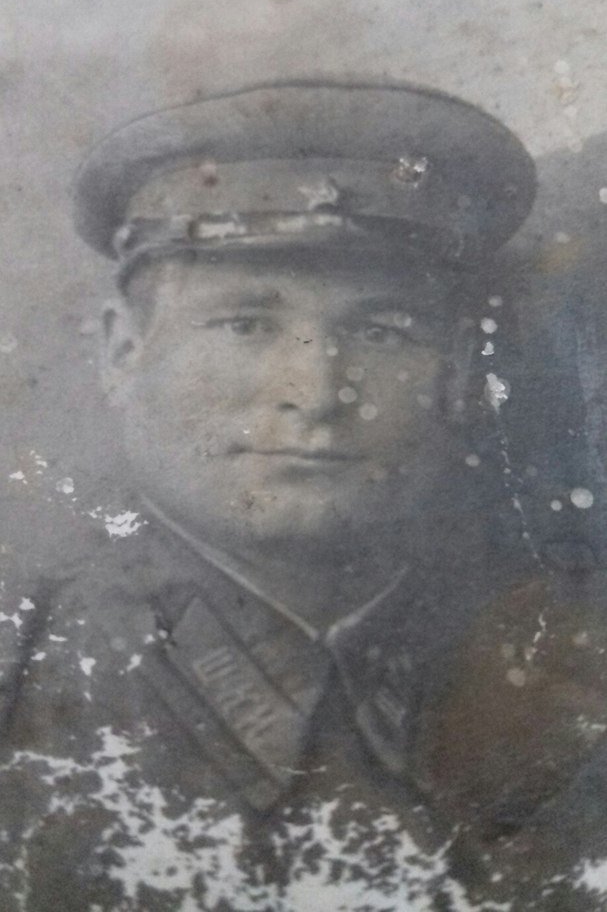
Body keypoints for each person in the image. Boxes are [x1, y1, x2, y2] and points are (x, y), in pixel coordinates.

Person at [0, 82, 605, 911]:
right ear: (121, 351)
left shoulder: (566, 681)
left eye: (381, 331)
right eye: (246, 324)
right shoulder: (26, 677)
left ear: (461, 373)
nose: (316, 393)